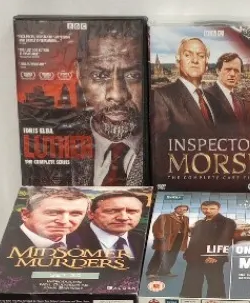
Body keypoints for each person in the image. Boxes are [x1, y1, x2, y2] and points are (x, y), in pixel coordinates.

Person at [71, 20, 146, 186]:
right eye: (100, 76)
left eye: (133, 76)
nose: (117, 95)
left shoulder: (170, 143)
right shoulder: (54, 142)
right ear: (79, 74)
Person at [151, 37, 216, 136]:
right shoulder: (163, 96)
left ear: (206, 65)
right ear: (178, 63)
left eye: (201, 56)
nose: (195, 60)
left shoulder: (212, 98)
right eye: (187, 55)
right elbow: (160, 141)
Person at [180, 200, 236, 298]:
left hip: (212, 256)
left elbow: (225, 239)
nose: (208, 211)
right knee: (192, 280)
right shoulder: (199, 223)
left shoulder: (227, 222)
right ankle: (190, 300)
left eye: (212, 208)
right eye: (205, 208)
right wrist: (188, 253)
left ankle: (216, 301)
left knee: (214, 280)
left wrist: (215, 255)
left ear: (218, 209)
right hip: (194, 256)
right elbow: (194, 239)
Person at [71, 190, 145, 260]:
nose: (123, 218)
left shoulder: (142, 239)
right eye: (112, 211)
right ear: (91, 214)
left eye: (132, 211)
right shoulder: (68, 239)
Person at [10, 187, 90, 249]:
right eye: (53, 212)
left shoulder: (88, 242)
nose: (64, 221)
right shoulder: (5, 244)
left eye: (75, 214)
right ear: (26, 215)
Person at [204, 52, 247, 130]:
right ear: (218, 71)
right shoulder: (205, 97)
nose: (232, 74)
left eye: (236, 70)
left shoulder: (239, 100)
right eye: (228, 69)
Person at [146, 204, 190, 277]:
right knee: (159, 256)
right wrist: (160, 238)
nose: (182, 211)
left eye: (184, 210)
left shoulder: (186, 218)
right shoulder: (165, 216)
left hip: (179, 239)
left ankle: (165, 272)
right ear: (175, 208)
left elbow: (186, 228)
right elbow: (156, 227)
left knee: (172, 256)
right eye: (180, 208)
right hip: (166, 239)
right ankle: (151, 273)